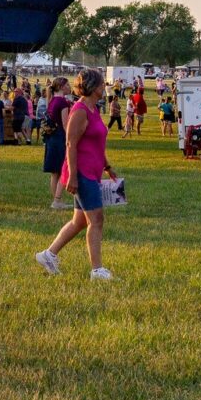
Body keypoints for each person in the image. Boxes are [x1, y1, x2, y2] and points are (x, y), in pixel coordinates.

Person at [36, 68, 118, 281]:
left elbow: (97, 142)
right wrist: (72, 176)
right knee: (97, 220)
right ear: (92, 87)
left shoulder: (95, 109)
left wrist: (107, 166)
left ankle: (48, 254)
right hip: (81, 172)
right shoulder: (80, 110)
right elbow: (71, 144)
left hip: (93, 170)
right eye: (101, 84)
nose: (104, 87)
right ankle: (97, 270)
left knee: (80, 221)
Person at [43, 77, 73, 208]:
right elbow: (66, 125)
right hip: (60, 138)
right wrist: (72, 140)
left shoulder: (52, 100)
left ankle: (56, 200)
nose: (70, 86)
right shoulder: (63, 102)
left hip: (51, 138)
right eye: (67, 84)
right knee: (63, 169)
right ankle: (57, 200)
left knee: (54, 172)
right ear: (61, 86)